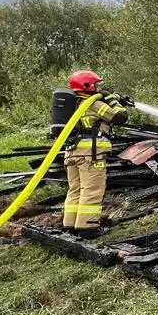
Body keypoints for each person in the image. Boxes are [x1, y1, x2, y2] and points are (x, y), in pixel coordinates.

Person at [62, 70, 131, 239]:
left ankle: (70, 225)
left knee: (75, 189)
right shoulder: (93, 104)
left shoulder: (73, 105)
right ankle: (88, 228)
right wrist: (112, 100)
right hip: (90, 154)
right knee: (92, 189)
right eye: (96, 84)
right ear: (88, 86)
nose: (99, 87)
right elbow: (120, 117)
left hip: (72, 153)